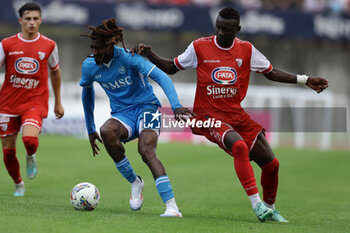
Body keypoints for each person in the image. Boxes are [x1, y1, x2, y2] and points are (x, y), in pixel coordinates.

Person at [131, 7, 329, 222]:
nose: (221, 33)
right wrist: (150, 54)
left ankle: (270, 208)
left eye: (227, 29)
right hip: (207, 116)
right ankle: (257, 205)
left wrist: (305, 79)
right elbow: (171, 67)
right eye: (219, 28)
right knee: (240, 147)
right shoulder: (199, 47)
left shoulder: (246, 49)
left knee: (272, 165)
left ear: (238, 29)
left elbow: (270, 72)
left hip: (236, 115)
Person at [80, 18, 194, 217]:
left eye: (98, 48)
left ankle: (172, 207)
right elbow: (87, 92)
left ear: (110, 43)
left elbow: (162, 76)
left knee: (146, 150)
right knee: (106, 131)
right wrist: (90, 128)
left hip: (147, 108)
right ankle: (135, 182)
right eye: (92, 47)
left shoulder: (128, 57)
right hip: (122, 115)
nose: (94, 52)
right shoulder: (90, 65)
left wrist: (175, 105)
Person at [0, 2, 64, 197]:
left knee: (28, 139)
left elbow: (55, 73)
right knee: (8, 152)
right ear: (20, 20)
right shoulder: (6, 44)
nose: (31, 22)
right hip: (8, 103)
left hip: (34, 102)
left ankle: (30, 155)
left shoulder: (49, 45)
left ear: (40, 21)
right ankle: (18, 184)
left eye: (35, 19)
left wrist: (58, 101)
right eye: (27, 19)